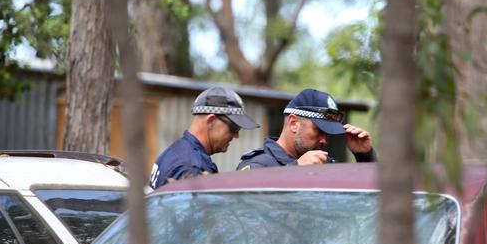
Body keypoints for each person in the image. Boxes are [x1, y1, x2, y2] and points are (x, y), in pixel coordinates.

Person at [237, 88, 376, 170]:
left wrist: (365, 156)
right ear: (293, 123)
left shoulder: (324, 165)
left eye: (327, 133)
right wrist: (294, 170)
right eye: (319, 130)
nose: (324, 140)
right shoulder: (257, 166)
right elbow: (245, 212)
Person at [149, 86, 259, 189]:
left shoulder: (178, 152)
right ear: (211, 121)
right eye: (234, 127)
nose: (236, 135)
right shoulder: (190, 168)